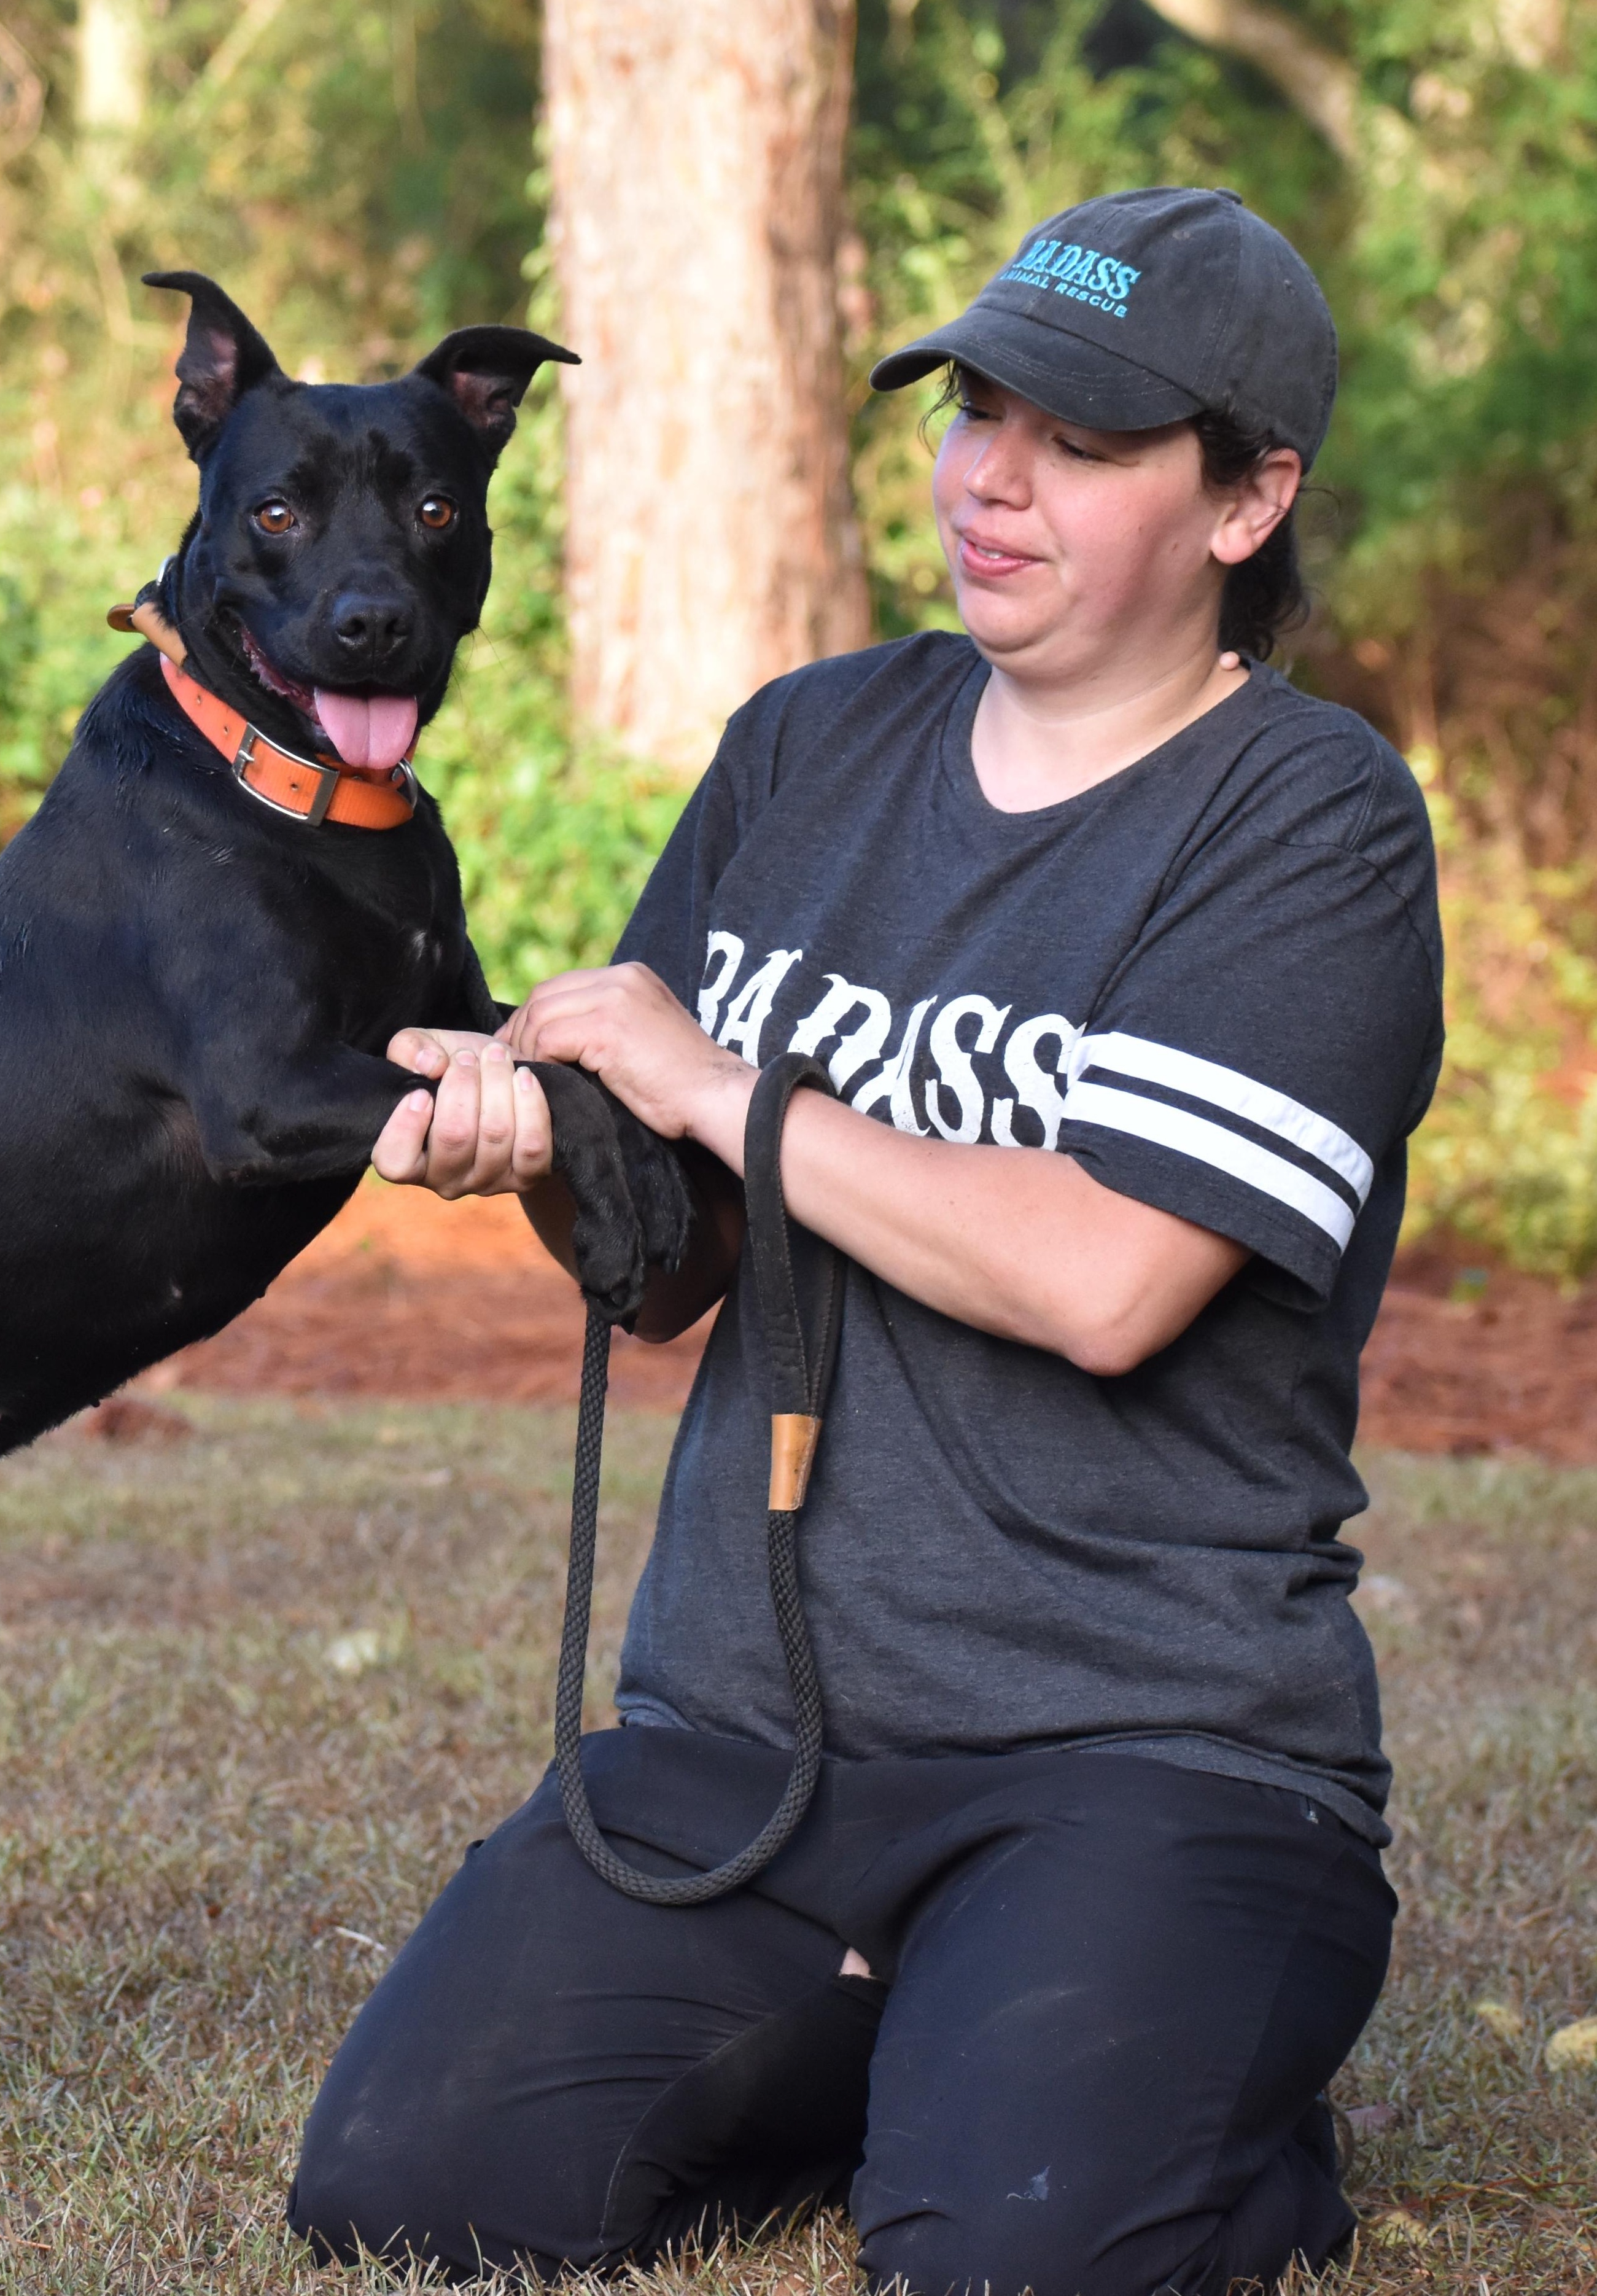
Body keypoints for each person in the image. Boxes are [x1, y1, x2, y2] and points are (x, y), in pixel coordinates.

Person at [286, 187, 1444, 2295]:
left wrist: (727, 1085)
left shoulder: (1309, 822)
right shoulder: (810, 747)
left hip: (1150, 1744)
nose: (990, 480)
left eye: (1082, 444)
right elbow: (667, 1267)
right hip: (756, 1728)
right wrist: (536, 1137)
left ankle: (1174, 2092)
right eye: (973, 409)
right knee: (411, 2188)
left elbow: (1107, 1278)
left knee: (1019, 2249)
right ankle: (957, 2035)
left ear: (1245, 499)